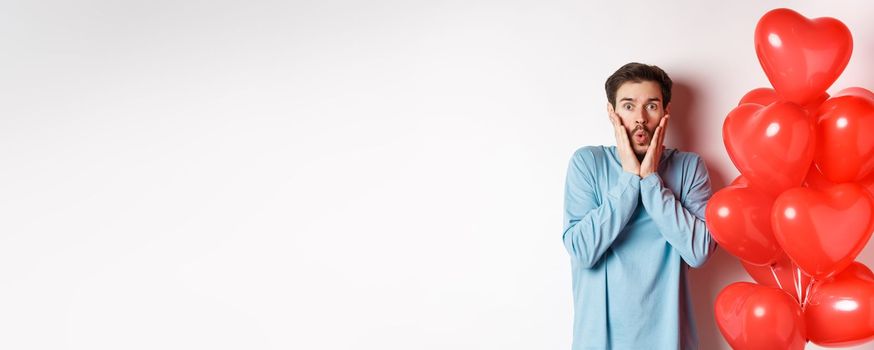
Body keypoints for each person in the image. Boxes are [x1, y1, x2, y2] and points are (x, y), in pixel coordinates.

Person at [562, 62, 716, 349]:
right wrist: (630, 178)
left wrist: (651, 181)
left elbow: (699, 252)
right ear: (612, 112)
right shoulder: (587, 163)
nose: (640, 119)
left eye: (652, 106)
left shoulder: (689, 167)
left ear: (666, 111)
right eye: (629, 106)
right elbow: (583, 251)